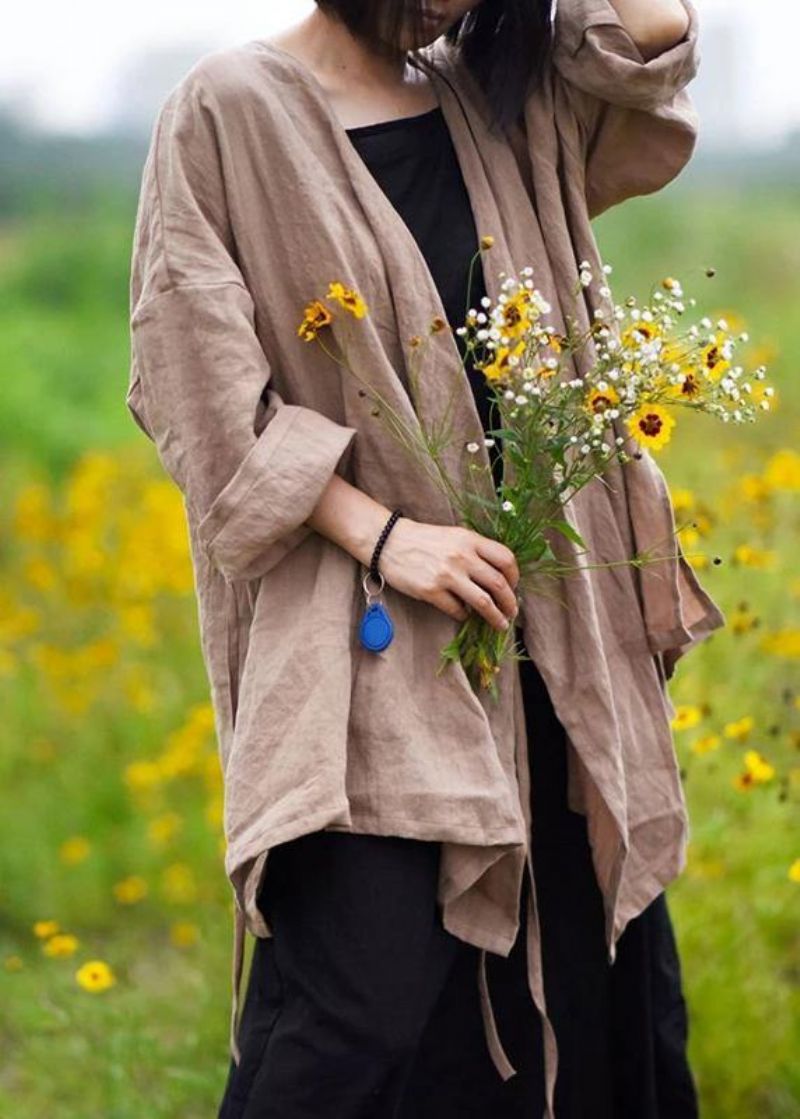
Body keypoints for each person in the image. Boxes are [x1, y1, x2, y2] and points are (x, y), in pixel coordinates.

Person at [127, 1, 723, 1116]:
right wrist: (385, 534)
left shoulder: (499, 102)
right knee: (356, 1008)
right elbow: (193, 391)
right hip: (360, 620)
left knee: (600, 982)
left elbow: (640, 44)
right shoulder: (231, 109)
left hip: (543, 618)